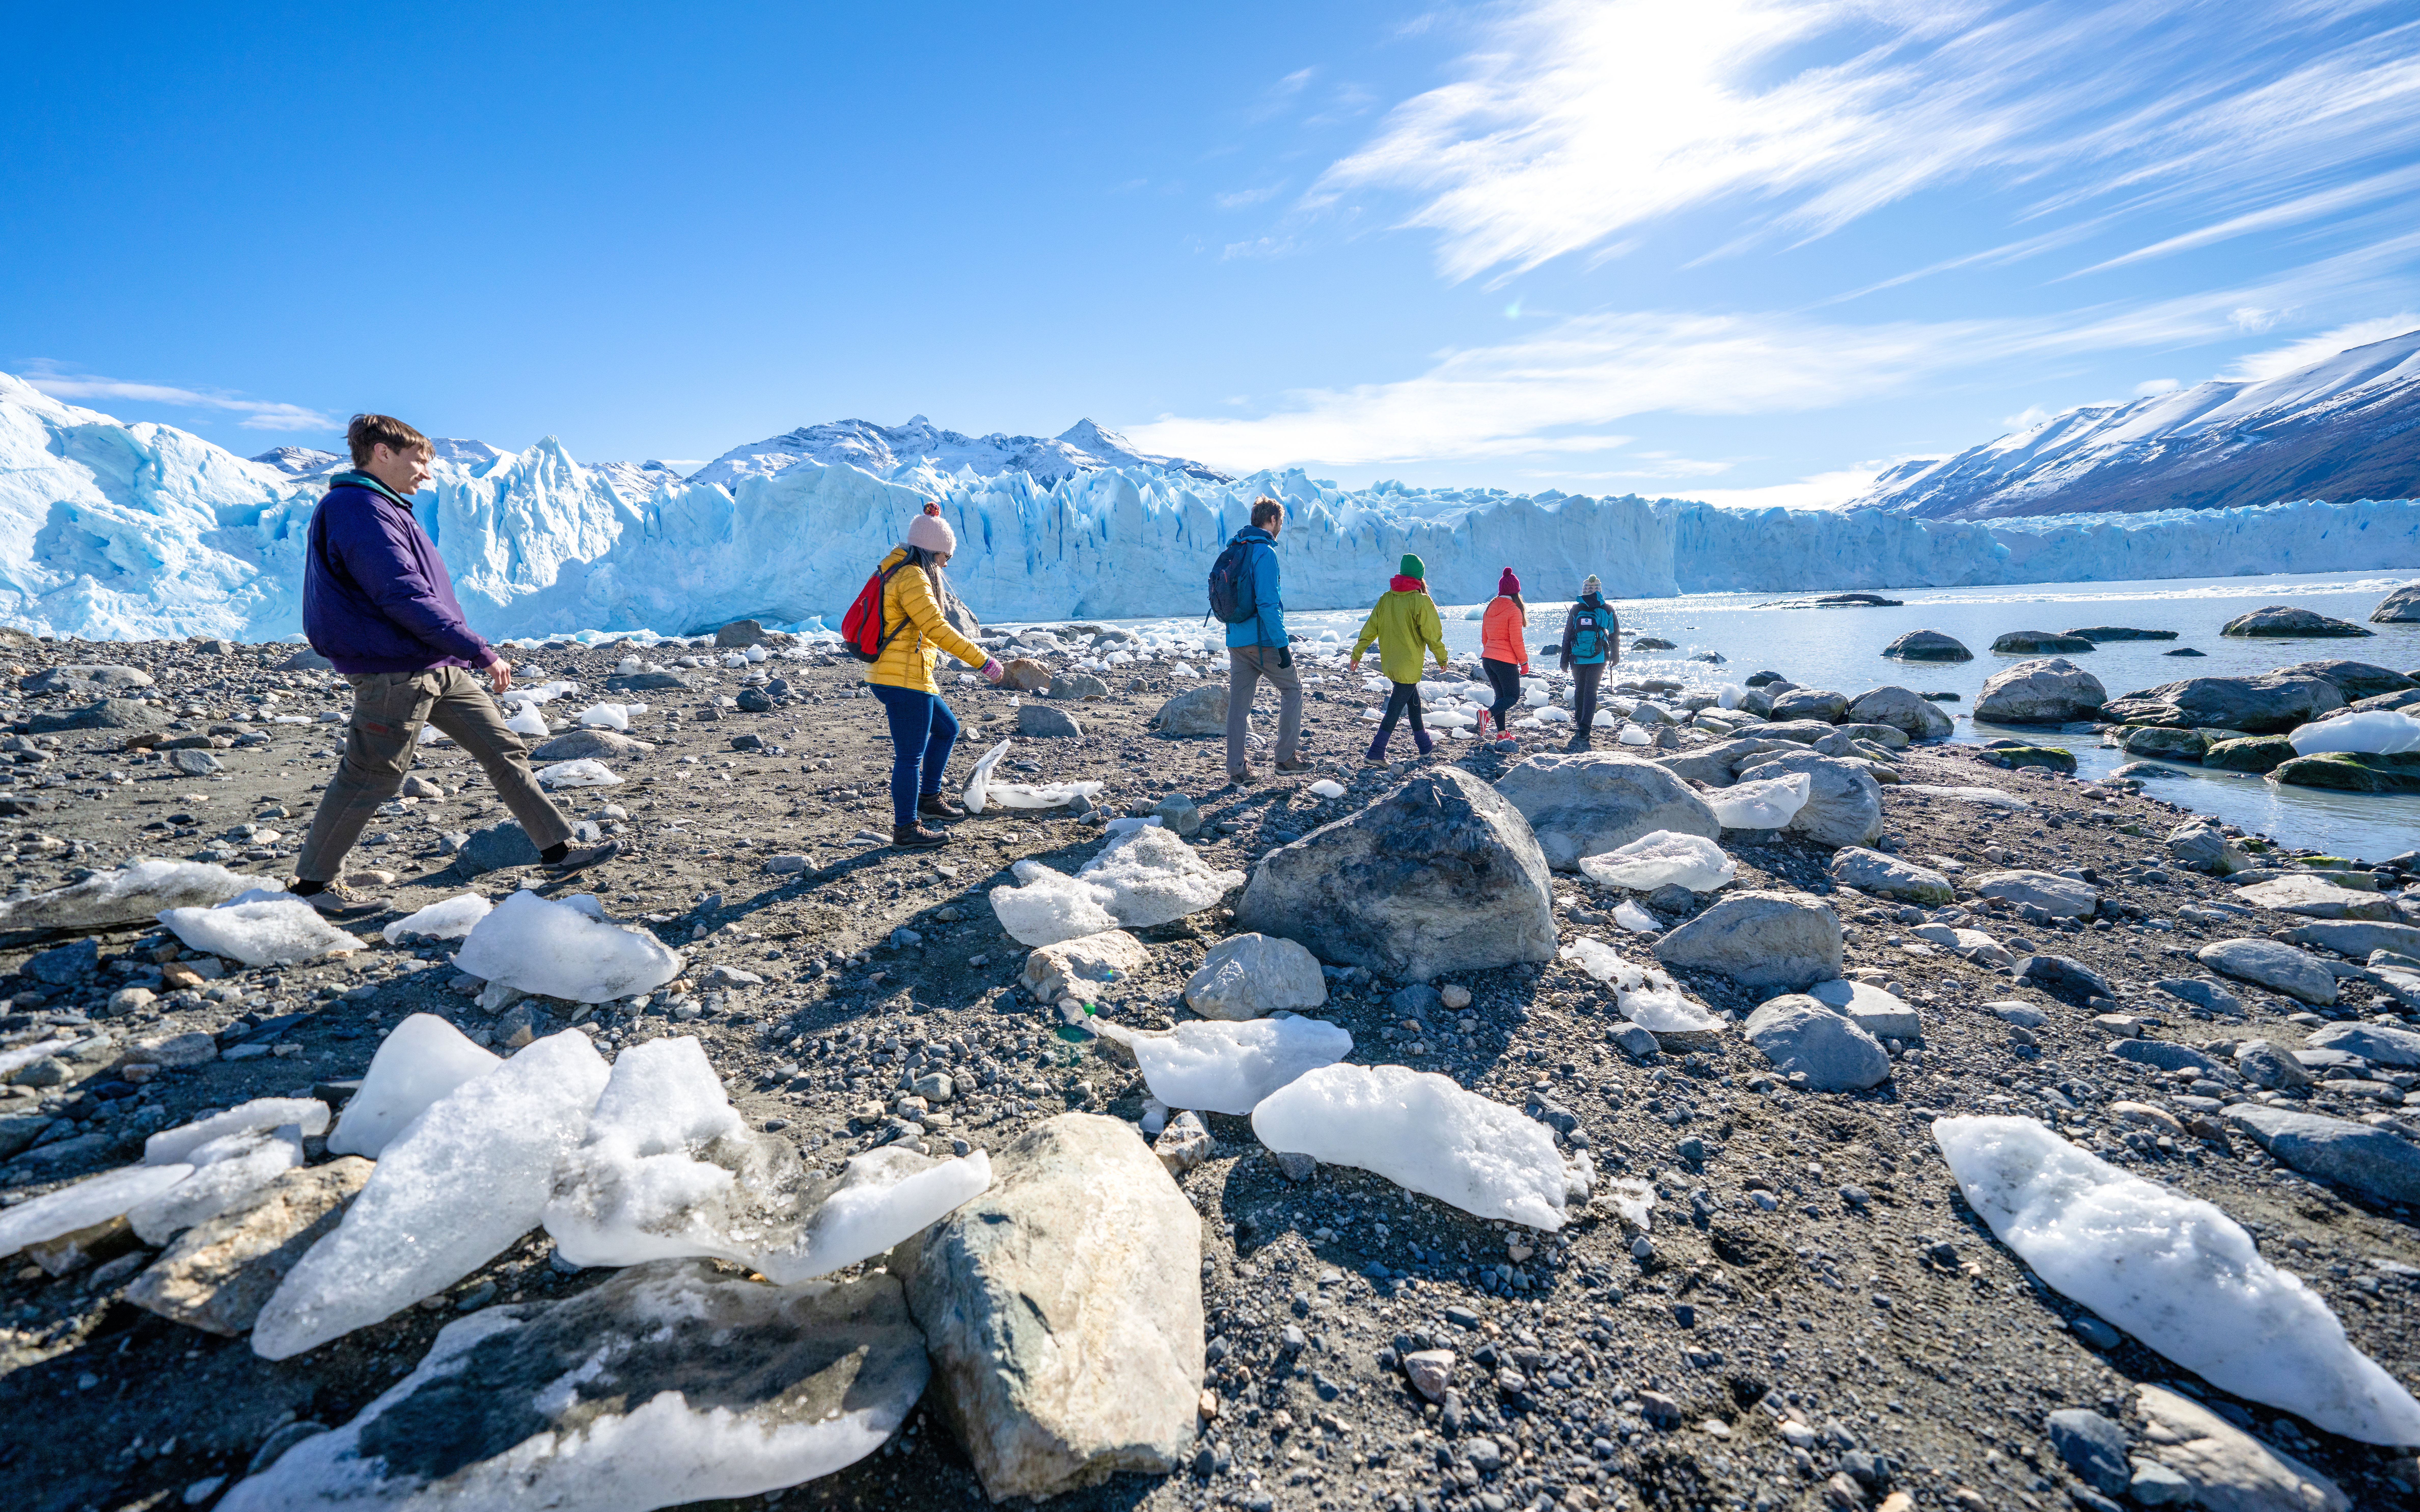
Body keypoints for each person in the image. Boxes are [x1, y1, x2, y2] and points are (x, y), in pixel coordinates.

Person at [294, 414, 618, 919]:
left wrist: (457, 650)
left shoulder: (385, 507)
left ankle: (558, 849)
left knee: (502, 747)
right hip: (394, 672)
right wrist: (477, 648)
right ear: (382, 453)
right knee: (371, 776)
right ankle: (312, 888)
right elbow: (400, 593)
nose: (426, 472)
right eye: (418, 459)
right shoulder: (358, 507)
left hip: (433, 661)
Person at [867, 504, 1006, 847]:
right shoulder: (912, 576)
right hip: (903, 678)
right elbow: (936, 628)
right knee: (909, 756)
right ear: (932, 550)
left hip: (903, 674)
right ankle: (906, 828)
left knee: (947, 729)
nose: (947, 564)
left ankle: (928, 800)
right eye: (946, 556)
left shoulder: (897, 570)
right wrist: (983, 662)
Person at [1220, 497, 1311, 785]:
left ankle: (1237, 770)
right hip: (1264, 642)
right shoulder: (1264, 553)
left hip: (1236, 640)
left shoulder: (1236, 548)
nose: (1281, 527)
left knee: (1239, 705)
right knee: (1293, 689)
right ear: (1272, 520)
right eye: (1281, 522)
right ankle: (1285, 758)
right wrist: (1282, 645)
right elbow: (1268, 604)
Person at [1350, 554, 1450, 762]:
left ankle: (1425, 746)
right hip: (1409, 664)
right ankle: (1376, 751)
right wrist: (1442, 658)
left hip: (1391, 662)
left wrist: (1357, 652)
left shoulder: (1387, 598)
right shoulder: (1420, 601)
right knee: (1395, 708)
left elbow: (1370, 628)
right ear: (1419, 576)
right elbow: (1432, 634)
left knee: (1413, 702)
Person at [1557, 573, 1619, 749]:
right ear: (1600, 591)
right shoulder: (1607, 609)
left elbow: (1568, 635)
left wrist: (1564, 660)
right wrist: (1615, 657)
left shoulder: (1577, 609)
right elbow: (1615, 635)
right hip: (1598, 658)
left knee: (1580, 689)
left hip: (1577, 658)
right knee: (1591, 691)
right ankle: (1585, 729)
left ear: (1584, 591)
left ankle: (1580, 723)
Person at [1480, 567, 1531, 742]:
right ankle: (1488, 714)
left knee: (1501, 696)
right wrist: (1524, 663)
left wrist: (1491, 653)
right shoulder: (1514, 610)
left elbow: (1485, 637)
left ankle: (1502, 734)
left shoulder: (1490, 607)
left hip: (1488, 659)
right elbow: (1516, 641)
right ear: (1516, 592)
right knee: (1513, 697)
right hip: (1505, 660)